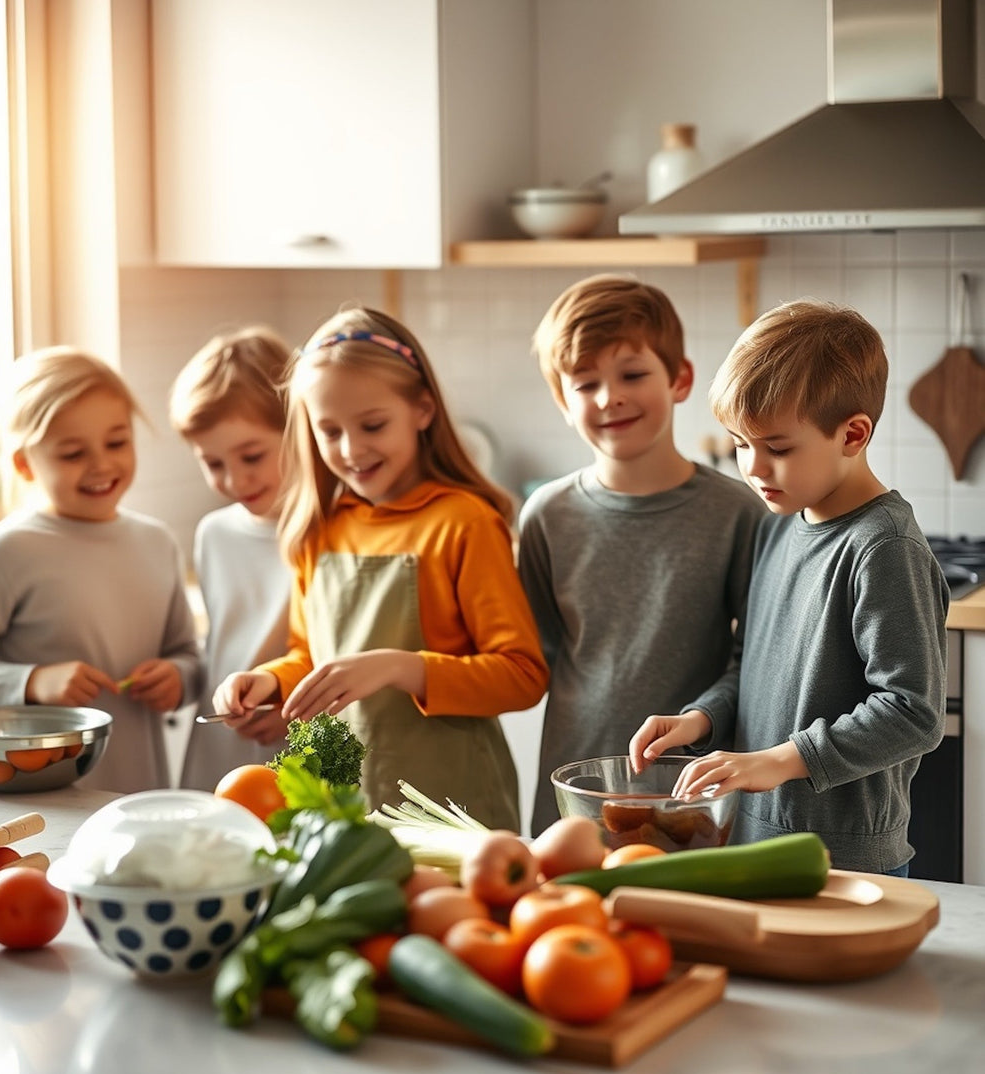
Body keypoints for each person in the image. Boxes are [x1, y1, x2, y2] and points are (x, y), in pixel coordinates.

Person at [630, 300, 949, 875]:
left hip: (844, 855)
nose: (753, 468)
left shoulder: (883, 547)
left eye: (777, 448)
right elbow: (749, 663)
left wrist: (778, 761)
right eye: (739, 443)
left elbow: (911, 712)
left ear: (853, 435)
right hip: (754, 831)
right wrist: (700, 719)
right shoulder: (776, 526)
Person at [212, 305, 548, 831]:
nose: (352, 450)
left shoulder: (463, 524)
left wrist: (399, 666)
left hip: (450, 809)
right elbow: (309, 655)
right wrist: (266, 682)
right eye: (329, 431)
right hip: (335, 806)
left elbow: (522, 676)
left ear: (422, 409)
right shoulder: (319, 529)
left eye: (373, 425)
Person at [520, 274, 765, 835]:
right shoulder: (545, 517)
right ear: (562, 400)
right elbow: (537, 657)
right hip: (573, 791)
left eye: (632, 374)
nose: (610, 397)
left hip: (692, 792)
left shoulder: (737, 513)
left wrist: (697, 721)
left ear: (680, 379)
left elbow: (750, 662)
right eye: (585, 384)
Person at [0, 346, 201, 794]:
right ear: (24, 464)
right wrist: (32, 681)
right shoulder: (5, 551)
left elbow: (188, 654)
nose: (102, 464)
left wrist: (178, 678)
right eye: (72, 453)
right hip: (39, 799)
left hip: (138, 795)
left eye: (116, 442)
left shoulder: (157, 543)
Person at [169, 325, 294, 789]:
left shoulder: (333, 533)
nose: (235, 480)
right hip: (219, 744)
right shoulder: (214, 534)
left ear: (296, 427)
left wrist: (294, 709)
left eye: (252, 455)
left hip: (301, 743)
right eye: (214, 463)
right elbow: (222, 644)